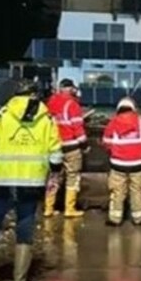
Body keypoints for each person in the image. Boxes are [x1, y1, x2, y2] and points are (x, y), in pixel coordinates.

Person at [0, 80, 62, 281]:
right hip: (32, 183)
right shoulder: (47, 119)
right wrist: (54, 174)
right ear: (35, 95)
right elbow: (55, 150)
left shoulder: (1, 117)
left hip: (1, 182)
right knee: (25, 228)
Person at [102, 97, 141, 226]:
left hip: (118, 164)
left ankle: (115, 219)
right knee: (137, 190)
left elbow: (106, 143)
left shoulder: (113, 123)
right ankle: (138, 218)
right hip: (138, 164)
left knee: (117, 191)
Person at [44, 79, 87, 218]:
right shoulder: (73, 105)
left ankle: (48, 208)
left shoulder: (50, 102)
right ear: (71, 89)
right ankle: (69, 209)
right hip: (71, 146)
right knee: (72, 177)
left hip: (54, 145)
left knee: (53, 177)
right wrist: (84, 144)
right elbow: (77, 127)